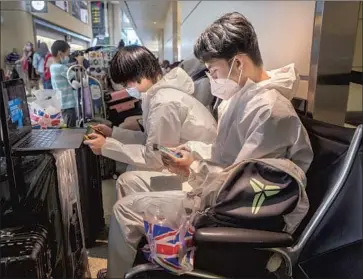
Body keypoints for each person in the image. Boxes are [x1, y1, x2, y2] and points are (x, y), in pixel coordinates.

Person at [99, 12, 314, 279]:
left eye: (213, 70)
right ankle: (144, 256)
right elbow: (222, 155)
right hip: (212, 185)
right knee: (130, 182)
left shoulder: (269, 111)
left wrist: (193, 167)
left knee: (124, 209)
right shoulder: (240, 99)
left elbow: (239, 183)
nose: (212, 78)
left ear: (237, 63)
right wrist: (192, 156)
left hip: (222, 206)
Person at [84, 45, 217, 199]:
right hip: (187, 163)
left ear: (140, 73)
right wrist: (113, 134)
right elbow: (152, 142)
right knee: (132, 169)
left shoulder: (164, 102)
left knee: (127, 180)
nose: (127, 89)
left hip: (197, 175)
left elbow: (155, 157)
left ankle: (138, 221)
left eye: (127, 83)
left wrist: (106, 147)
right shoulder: (160, 95)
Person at [50, 40, 83, 128]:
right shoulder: (61, 68)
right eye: (67, 54)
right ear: (60, 53)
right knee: (70, 131)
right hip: (68, 105)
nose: (68, 57)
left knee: (67, 129)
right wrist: (80, 62)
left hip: (62, 104)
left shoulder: (53, 67)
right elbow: (78, 79)